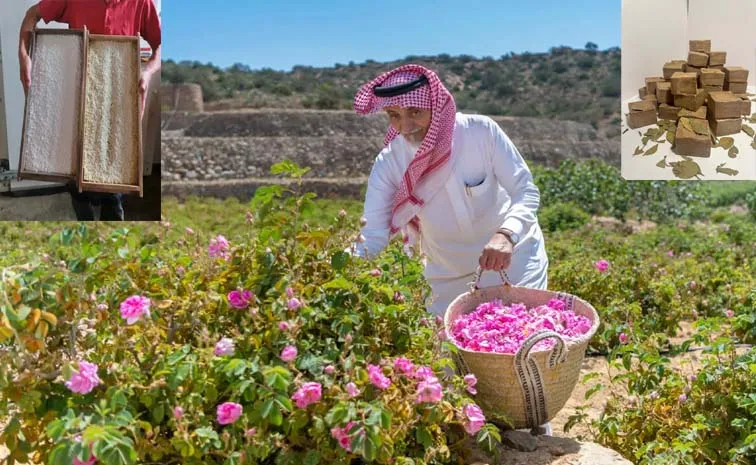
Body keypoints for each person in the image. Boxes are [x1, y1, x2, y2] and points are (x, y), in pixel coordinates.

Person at [352, 64, 552, 435]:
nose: (406, 124)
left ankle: (538, 437)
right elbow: (374, 234)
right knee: (451, 366)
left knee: (522, 354)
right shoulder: (391, 161)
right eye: (395, 115)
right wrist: (333, 268)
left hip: (514, 257)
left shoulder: (480, 133)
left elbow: (526, 192)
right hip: (446, 273)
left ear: (436, 105)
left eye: (414, 112)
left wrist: (507, 234)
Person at [18, 0, 162, 221]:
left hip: (118, 105)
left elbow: (160, 46)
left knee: (113, 188)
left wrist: (148, 72)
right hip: (76, 102)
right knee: (78, 186)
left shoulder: (141, 2)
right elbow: (31, 15)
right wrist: (24, 57)